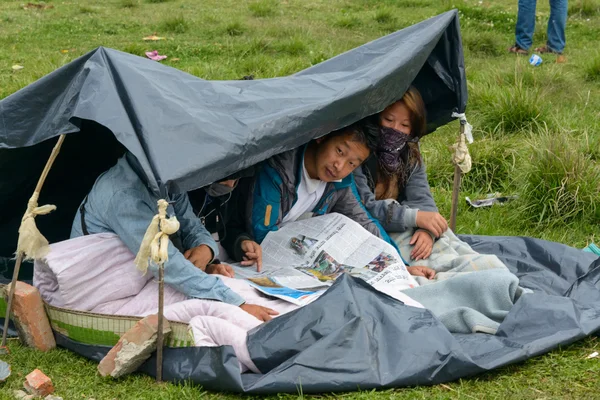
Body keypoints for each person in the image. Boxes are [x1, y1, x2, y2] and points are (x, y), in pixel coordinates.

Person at [70, 152, 277, 321]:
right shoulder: (123, 194)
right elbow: (165, 264)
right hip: (106, 295)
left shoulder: (164, 179)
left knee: (239, 291)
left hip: (147, 278)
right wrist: (236, 303)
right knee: (220, 311)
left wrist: (206, 249)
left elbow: (190, 225)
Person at [244, 121, 436, 279]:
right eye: (339, 151)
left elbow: (364, 220)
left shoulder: (340, 182)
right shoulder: (279, 171)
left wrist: (401, 266)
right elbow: (262, 233)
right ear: (322, 137)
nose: (339, 166)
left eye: (351, 163)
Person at [354, 86, 447, 262]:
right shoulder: (359, 151)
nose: (395, 129)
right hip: (369, 230)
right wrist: (415, 217)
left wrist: (427, 231)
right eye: (388, 120)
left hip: (403, 226)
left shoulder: (410, 151)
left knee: (446, 249)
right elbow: (361, 208)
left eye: (404, 125)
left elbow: (422, 198)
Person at [188, 168, 263, 271]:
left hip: (216, 256)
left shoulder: (233, 189)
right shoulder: (186, 194)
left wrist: (242, 243)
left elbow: (230, 225)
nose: (231, 186)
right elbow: (181, 233)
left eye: (236, 179)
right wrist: (209, 266)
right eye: (224, 181)